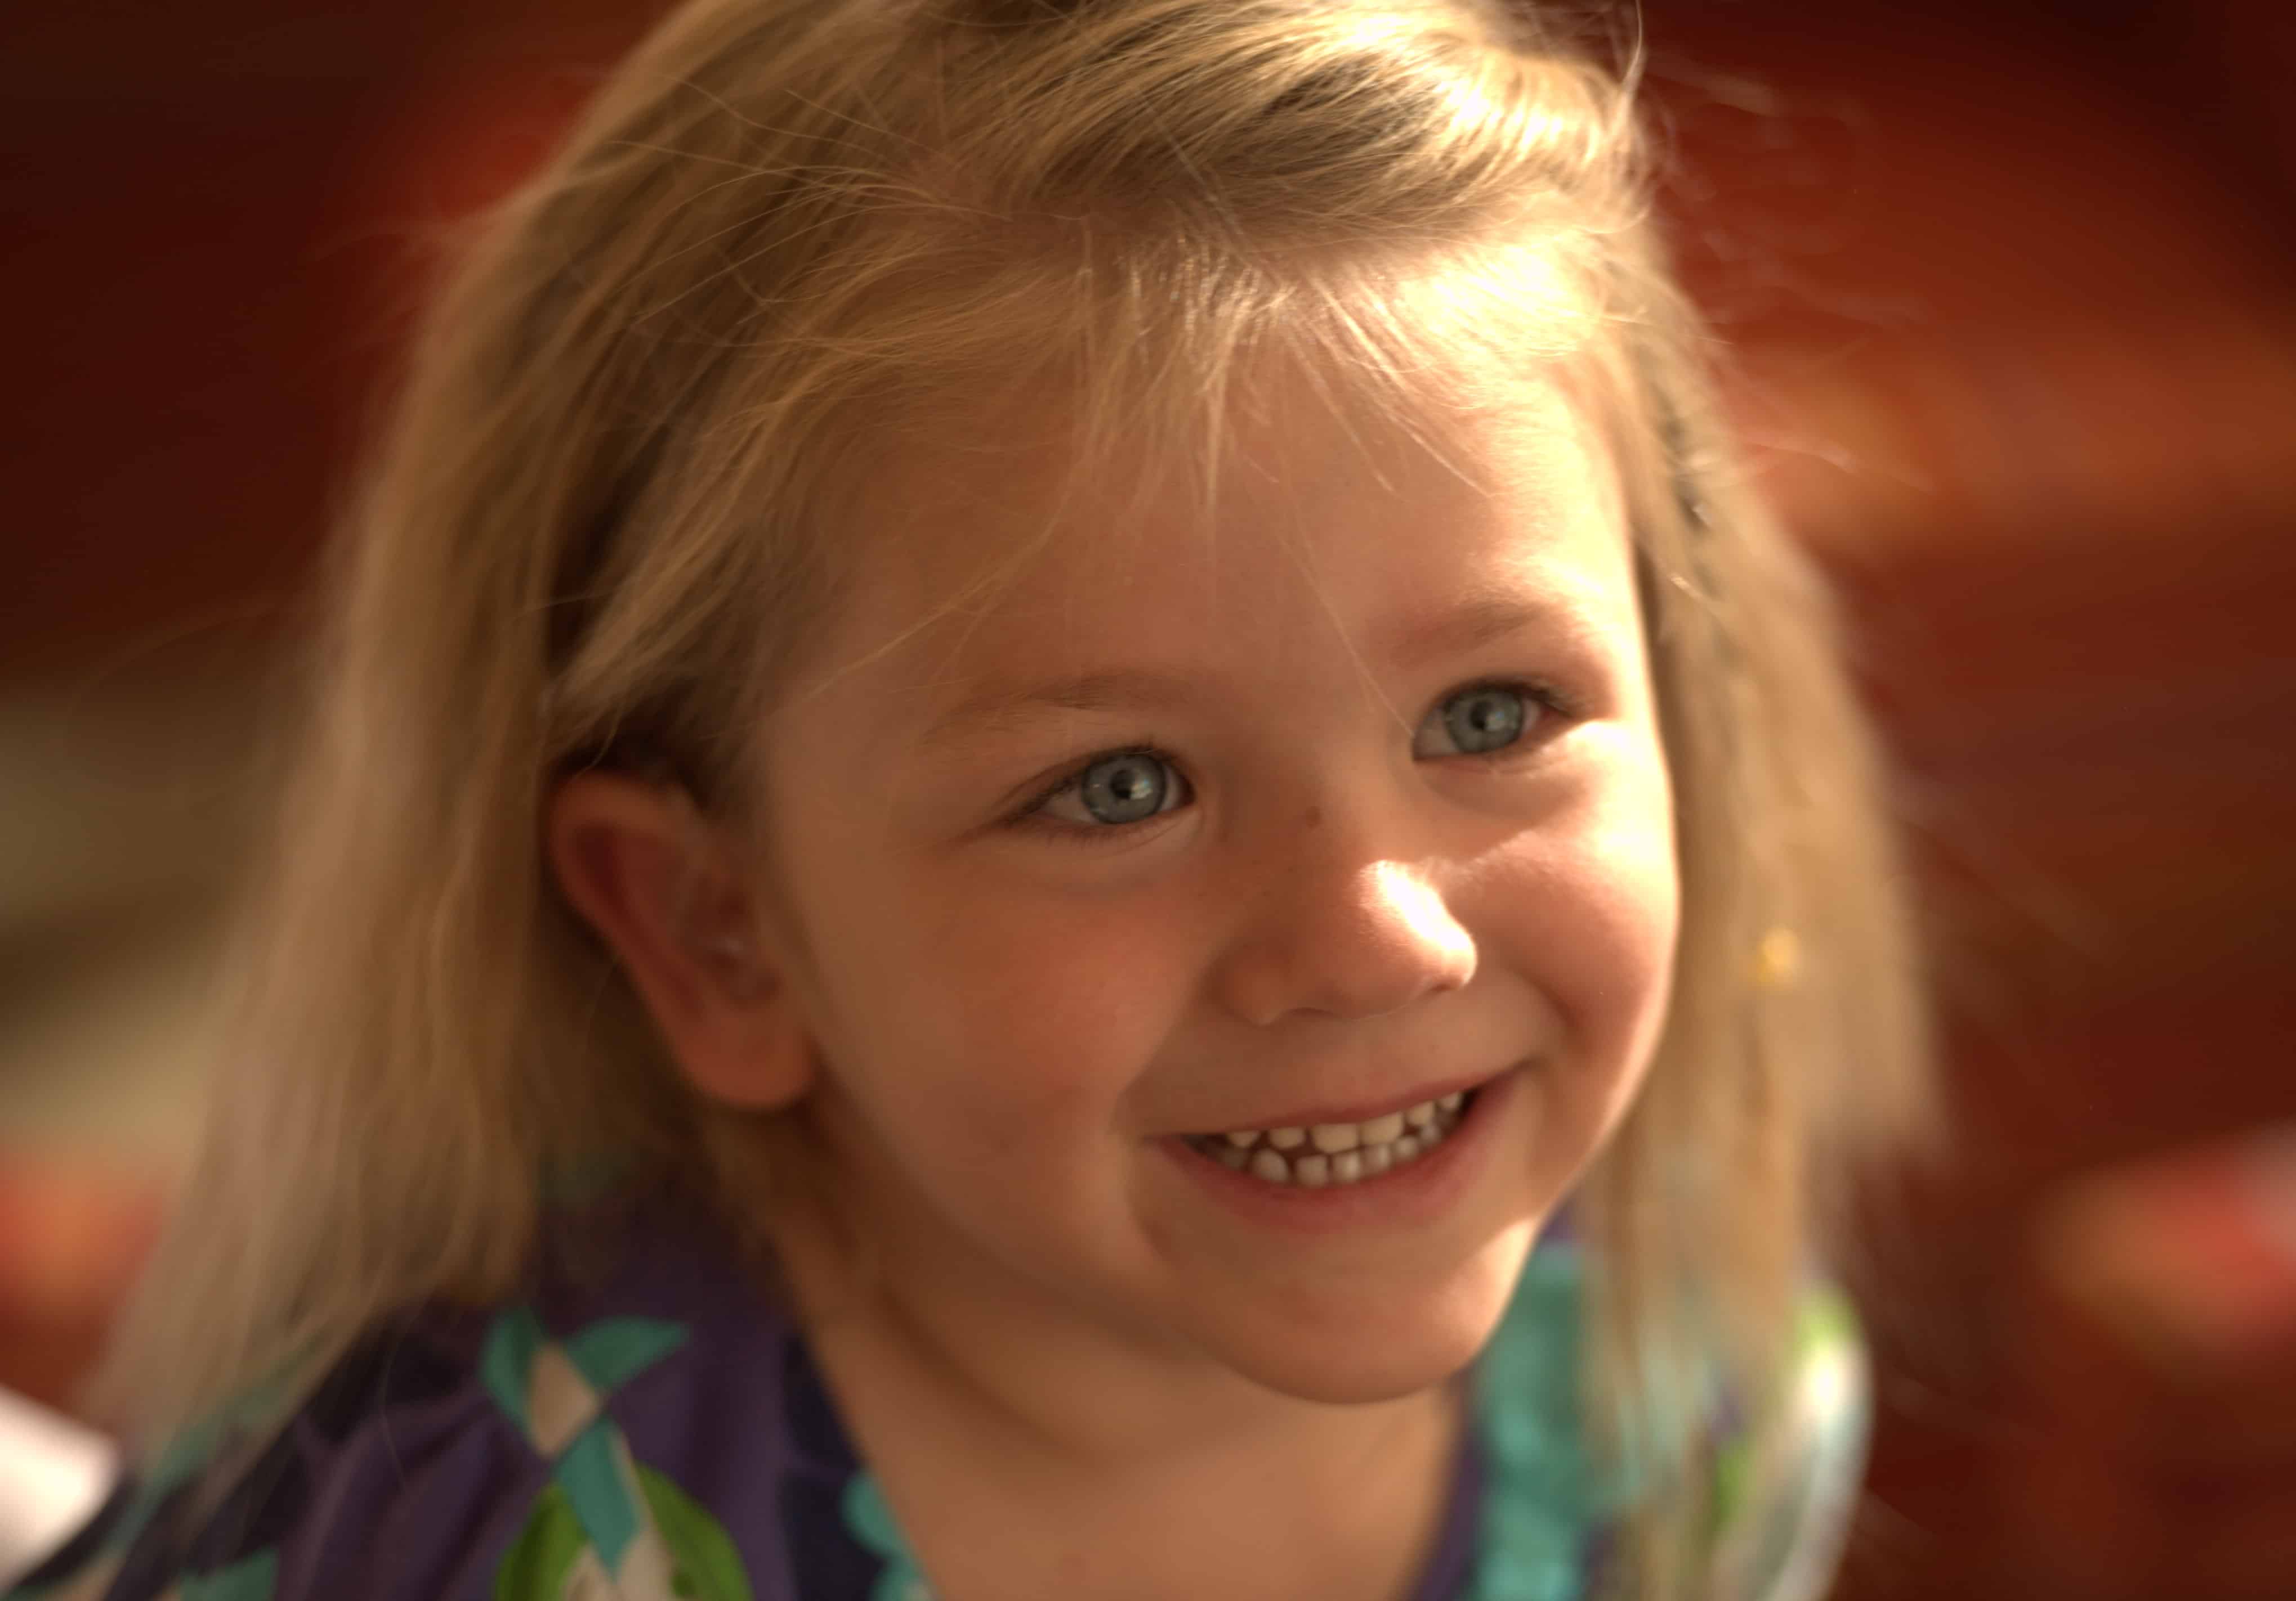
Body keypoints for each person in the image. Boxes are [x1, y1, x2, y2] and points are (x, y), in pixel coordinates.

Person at [9, 1, 1928, 1596]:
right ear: (715, 927)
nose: (1376, 932)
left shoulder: (1693, 1404)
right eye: (1119, 785)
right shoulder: (489, 1536)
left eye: (1491, 709)